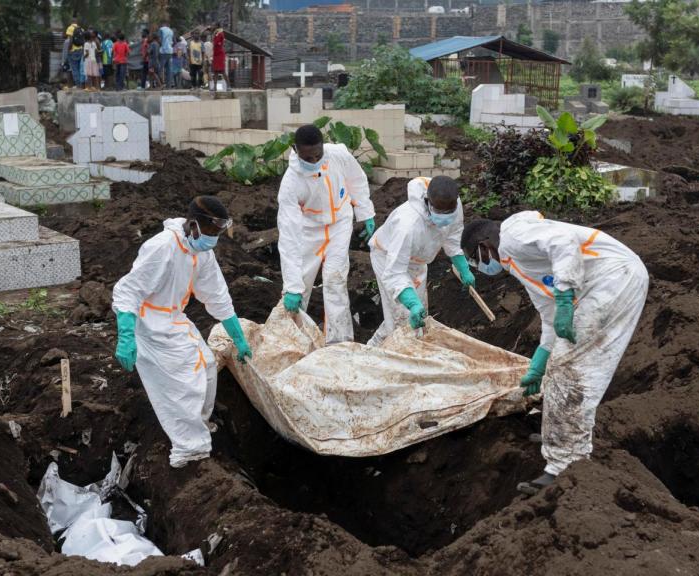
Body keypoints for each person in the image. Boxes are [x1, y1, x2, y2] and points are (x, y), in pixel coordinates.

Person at [461, 213, 648, 491]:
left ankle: (564, 466)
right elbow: (549, 317)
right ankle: (560, 436)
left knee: (569, 369)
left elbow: (563, 242)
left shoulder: (513, 235)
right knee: (561, 364)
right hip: (608, 281)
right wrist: (539, 361)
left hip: (612, 278)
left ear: (485, 244)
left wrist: (563, 294)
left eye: (477, 259)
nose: (482, 267)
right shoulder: (518, 263)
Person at [112, 196, 253, 467]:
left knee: (208, 366)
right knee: (182, 385)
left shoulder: (201, 253)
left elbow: (217, 295)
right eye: (210, 232)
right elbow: (128, 291)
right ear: (192, 225)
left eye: (217, 234)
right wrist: (126, 335)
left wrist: (238, 337)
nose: (212, 239)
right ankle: (189, 449)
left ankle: (199, 423)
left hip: (175, 319)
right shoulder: (162, 247)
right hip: (149, 323)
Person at [277, 124, 374, 344]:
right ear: (295, 149)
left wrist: (364, 211)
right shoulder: (291, 183)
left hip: (340, 222)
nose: (313, 162)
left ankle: (339, 342)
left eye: (317, 156)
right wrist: (292, 286)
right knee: (299, 284)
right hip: (308, 230)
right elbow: (289, 237)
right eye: (307, 158)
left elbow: (356, 179)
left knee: (335, 279)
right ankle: (292, 341)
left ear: (323, 147)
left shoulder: (337, 154)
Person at [367, 176, 474, 346]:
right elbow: (395, 272)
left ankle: (374, 346)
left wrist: (463, 267)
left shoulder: (455, 205)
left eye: (450, 211)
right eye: (440, 211)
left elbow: (453, 235)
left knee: (418, 314)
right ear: (428, 202)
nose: (446, 216)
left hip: (418, 260)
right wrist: (412, 302)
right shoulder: (408, 224)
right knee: (402, 315)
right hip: (388, 257)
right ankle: (388, 356)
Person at [65, 15, 85, 88]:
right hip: (80, 50)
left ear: (71, 22)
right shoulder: (81, 29)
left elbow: (70, 40)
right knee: (80, 68)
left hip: (73, 51)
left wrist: (68, 50)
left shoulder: (70, 28)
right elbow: (83, 41)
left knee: (74, 68)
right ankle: (82, 84)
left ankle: (78, 85)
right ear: (76, 22)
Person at [211, 22, 226, 91]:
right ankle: (214, 87)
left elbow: (217, 43)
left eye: (213, 25)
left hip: (219, 54)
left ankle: (228, 86)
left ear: (217, 26)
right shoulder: (215, 33)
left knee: (222, 71)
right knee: (215, 71)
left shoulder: (220, 33)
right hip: (216, 54)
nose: (212, 26)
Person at [158, 21, 174, 88]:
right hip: (170, 51)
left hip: (163, 51)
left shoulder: (161, 29)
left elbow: (160, 40)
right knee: (169, 70)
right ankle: (168, 86)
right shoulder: (171, 31)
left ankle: (159, 84)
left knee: (160, 69)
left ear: (162, 24)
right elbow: (173, 41)